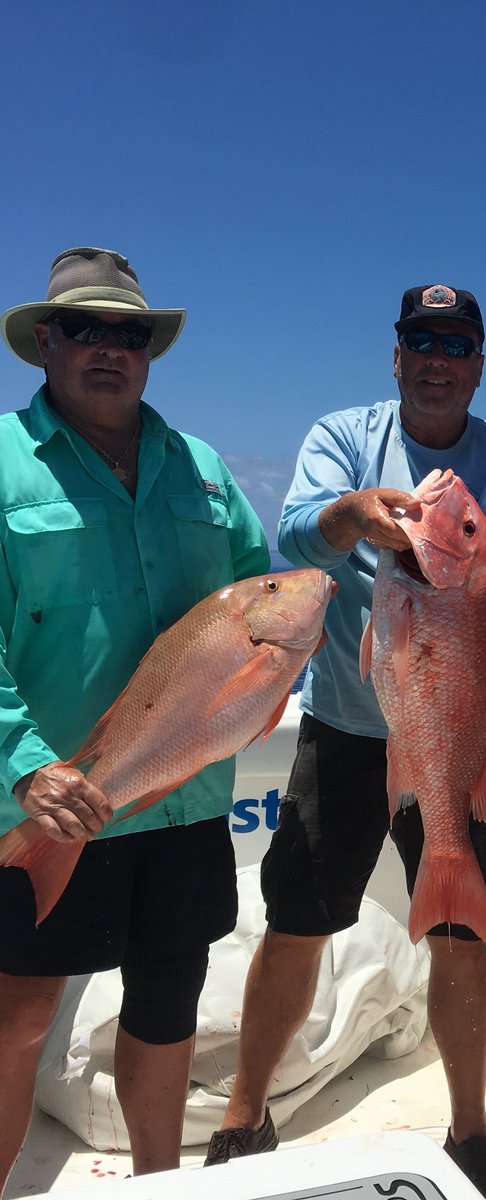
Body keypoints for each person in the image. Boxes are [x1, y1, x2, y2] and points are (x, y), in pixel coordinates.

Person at [205, 285, 486, 1200]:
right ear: (396, 356)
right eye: (421, 341)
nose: (439, 359)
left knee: (458, 936)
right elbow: (292, 535)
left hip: (459, 725)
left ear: (479, 363)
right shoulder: (342, 436)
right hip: (347, 727)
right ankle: (246, 1112)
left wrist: (463, 561)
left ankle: (471, 1131)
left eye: (457, 344)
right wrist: (356, 519)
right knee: (298, 922)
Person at [0, 247, 271, 1189]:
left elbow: (253, 606)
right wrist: (26, 769)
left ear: (150, 350)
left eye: (130, 333)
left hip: (186, 799)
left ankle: (164, 1185)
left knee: (168, 1004)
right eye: (86, 328)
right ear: (46, 340)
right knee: (21, 1014)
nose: (109, 348)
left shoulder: (201, 470)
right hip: (50, 802)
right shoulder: (1, 466)